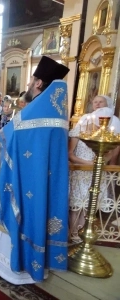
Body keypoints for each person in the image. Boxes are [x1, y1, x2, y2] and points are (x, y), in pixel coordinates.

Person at [0, 56, 70, 284]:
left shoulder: (35, 111)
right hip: (45, 181)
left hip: (25, 179)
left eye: (31, 79)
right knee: (40, 213)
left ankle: (13, 269)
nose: (27, 84)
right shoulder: (57, 112)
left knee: (21, 214)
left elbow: (8, 134)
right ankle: (38, 265)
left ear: (39, 83)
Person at [68, 95, 120, 242]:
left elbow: (113, 152)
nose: (97, 104)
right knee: (77, 206)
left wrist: (103, 162)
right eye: (95, 102)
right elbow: (70, 154)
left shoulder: (112, 127)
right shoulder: (82, 125)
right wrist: (87, 163)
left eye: (101, 102)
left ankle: (85, 238)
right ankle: (75, 236)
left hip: (98, 174)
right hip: (80, 172)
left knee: (92, 206)